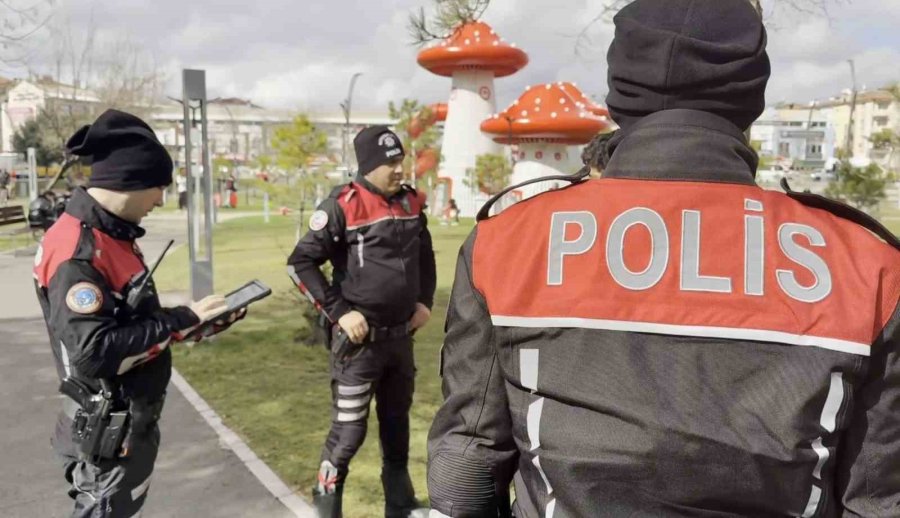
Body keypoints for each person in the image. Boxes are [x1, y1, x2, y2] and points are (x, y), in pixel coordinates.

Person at [427, 1, 900, 516]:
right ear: (752, 97)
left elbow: (466, 467)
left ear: (618, 90)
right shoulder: (867, 264)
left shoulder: (508, 243)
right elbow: (876, 498)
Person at [34, 109, 245, 517]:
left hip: (127, 423)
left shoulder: (110, 234)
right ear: (130, 181)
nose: (161, 200)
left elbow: (126, 322)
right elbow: (94, 352)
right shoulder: (79, 251)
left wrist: (191, 321)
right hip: (105, 431)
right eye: (158, 188)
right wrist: (178, 321)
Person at [288, 125, 436, 518]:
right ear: (369, 164)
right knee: (349, 432)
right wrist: (340, 312)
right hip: (358, 347)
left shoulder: (411, 203)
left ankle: (400, 506)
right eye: (390, 162)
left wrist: (425, 301)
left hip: (401, 340)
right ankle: (326, 507)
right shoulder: (341, 205)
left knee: (396, 426)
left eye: (400, 159)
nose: (398, 168)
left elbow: (426, 254)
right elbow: (300, 264)